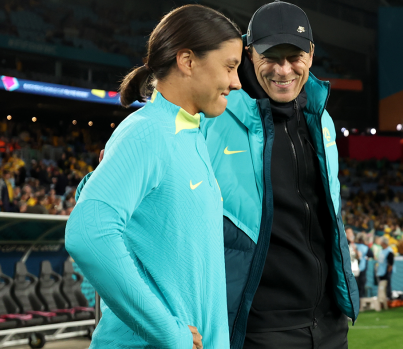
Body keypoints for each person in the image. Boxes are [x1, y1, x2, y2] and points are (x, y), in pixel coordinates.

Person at [65, 5, 242, 349]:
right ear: (187, 61)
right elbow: (88, 232)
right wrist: (169, 333)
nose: (236, 82)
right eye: (230, 67)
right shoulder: (148, 133)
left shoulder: (192, 134)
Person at [201, 2, 358, 347]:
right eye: (271, 56)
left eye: (294, 56)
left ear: (311, 55)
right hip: (261, 326)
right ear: (249, 54)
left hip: (329, 323)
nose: (284, 69)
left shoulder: (322, 121)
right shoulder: (213, 115)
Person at [376, 237, 394, 310]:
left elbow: (391, 263)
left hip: (386, 272)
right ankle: (383, 302)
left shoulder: (389, 251)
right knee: (382, 288)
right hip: (381, 271)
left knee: (386, 287)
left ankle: (388, 301)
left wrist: (388, 272)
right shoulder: (382, 251)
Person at [355, 233, 374, 299]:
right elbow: (371, 255)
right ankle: (360, 297)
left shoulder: (354, 245)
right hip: (361, 267)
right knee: (361, 283)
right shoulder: (365, 247)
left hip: (355, 268)